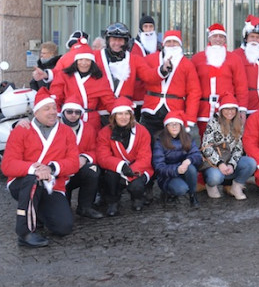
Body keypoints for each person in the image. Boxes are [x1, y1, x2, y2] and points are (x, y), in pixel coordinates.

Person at [1, 89, 78, 247]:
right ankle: (25, 233)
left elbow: (74, 162)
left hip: (52, 185)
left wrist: (51, 168)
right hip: (22, 182)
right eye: (46, 109)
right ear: (36, 113)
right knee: (33, 181)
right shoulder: (21, 130)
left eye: (54, 108)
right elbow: (7, 165)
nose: (52, 113)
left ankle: (37, 213)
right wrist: (34, 170)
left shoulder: (66, 132)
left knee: (63, 227)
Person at [137, 30, 201, 137]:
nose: (171, 44)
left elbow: (194, 92)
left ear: (180, 44)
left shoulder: (187, 64)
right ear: (163, 44)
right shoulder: (151, 59)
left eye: (175, 42)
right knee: (147, 142)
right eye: (168, 42)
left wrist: (190, 118)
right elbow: (145, 77)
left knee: (171, 146)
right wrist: (161, 70)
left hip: (174, 110)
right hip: (151, 108)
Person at [96, 97, 153, 216]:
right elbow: (103, 157)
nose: (123, 117)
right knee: (110, 176)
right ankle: (113, 201)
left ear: (131, 115)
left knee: (136, 185)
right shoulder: (105, 132)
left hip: (138, 168)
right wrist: (121, 167)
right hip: (117, 168)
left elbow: (145, 157)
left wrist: (130, 174)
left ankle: (137, 198)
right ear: (114, 116)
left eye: (127, 114)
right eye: (120, 114)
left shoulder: (142, 131)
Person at [191, 23, 249, 137]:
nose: (218, 39)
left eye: (221, 36)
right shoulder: (197, 59)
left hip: (226, 110)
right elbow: (191, 85)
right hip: (204, 108)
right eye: (215, 36)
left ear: (225, 39)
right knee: (204, 141)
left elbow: (241, 86)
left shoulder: (234, 59)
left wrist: (242, 109)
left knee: (225, 142)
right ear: (209, 38)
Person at [199, 94, 255, 200]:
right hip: (214, 163)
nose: (230, 112)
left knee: (250, 163)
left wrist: (232, 164)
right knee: (215, 178)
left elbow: (239, 148)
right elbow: (206, 146)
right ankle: (210, 185)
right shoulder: (213, 122)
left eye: (232, 109)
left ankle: (236, 185)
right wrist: (220, 163)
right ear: (221, 110)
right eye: (226, 109)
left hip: (229, 160)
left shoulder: (238, 123)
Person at [50, 39, 116, 125]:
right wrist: (56, 115)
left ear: (92, 62)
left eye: (87, 60)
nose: (84, 63)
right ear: (76, 61)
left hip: (91, 120)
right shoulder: (63, 76)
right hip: (68, 118)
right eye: (80, 60)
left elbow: (109, 101)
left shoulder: (99, 78)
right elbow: (56, 98)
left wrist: (120, 112)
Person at [60, 97, 104, 219]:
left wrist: (85, 158)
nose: (73, 115)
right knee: (63, 214)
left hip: (79, 169)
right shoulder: (54, 127)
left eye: (77, 112)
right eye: (69, 112)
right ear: (63, 112)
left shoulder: (88, 128)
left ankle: (85, 207)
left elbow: (95, 150)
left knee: (93, 170)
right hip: (60, 173)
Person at [152, 111, 203, 208]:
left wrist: (189, 160)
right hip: (167, 176)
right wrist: (176, 169)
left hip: (185, 172)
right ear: (166, 127)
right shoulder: (160, 141)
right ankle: (168, 192)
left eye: (176, 124)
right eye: (171, 124)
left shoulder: (187, 138)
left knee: (191, 167)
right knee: (181, 189)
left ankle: (193, 195)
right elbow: (158, 166)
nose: (174, 127)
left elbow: (197, 156)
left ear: (181, 126)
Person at [94, 22, 142, 114]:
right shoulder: (95, 56)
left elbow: (149, 75)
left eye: (120, 40)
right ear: (108, 41)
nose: (117, 43)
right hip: (101, 111)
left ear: (125, 42)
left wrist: (163, 69)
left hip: (124, 112)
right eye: (113, 40)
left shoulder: (134, 58)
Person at [233, 15, 259, 114]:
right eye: (252, 36)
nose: (255, 40)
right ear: (246, 38)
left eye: (258, 37)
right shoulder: (236, 55)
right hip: (244, 104)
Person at [131, 14, 162, 114]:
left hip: (155, 95)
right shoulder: (132, 46)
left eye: (151, 26)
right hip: (136, 94)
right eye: (145, 27)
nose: (148, 30)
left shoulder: (159, 46)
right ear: (141, 28)